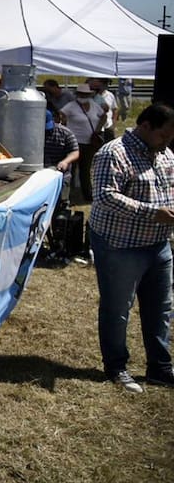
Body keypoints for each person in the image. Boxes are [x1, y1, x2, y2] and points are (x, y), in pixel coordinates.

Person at [88, 102, 174, 393]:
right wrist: (153, 212)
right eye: (163, 135)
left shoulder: (165, 155)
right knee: (117, 309)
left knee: (161, 308)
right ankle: (116, 367)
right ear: (146, 126)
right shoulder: (113, 153)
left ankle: (160, 369)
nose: (166, 142)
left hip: (159, 245)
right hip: (120, 245)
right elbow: (105, 197)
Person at [61, 83, 106, 204]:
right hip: (74, 143)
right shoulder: (70, 106)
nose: (83, 96)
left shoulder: (94, 105)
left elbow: (104, 116)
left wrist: (97, 130)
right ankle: (68, 196)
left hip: (89, 143)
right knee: (72, 170)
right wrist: (66, 128)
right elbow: (61, 116)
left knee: (86, 170)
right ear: (77, 95)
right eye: (81, 94)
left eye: (85, 94)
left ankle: (87, 195)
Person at [42, 109, 79, 206]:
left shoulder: (65, 133)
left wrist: (65, 161)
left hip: (60, 174)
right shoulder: (31, 133)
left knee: (61, 202)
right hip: (39, 174)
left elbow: (75, 152)